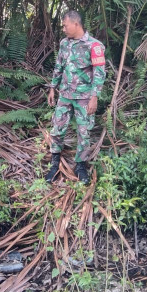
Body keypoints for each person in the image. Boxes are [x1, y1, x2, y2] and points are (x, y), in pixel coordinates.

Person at [46, 10, 106, 185]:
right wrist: (52, 88)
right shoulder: (64, 43)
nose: (63, 29)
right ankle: (55, 163)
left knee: (84, 132)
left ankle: (81, 166)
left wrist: (94, 97)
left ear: (76, 24)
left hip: (84, 98)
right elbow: (59, 66)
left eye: (65, 25)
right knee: (57, 128)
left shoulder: (94, 46)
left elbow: (99, 74)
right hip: (64, 95)